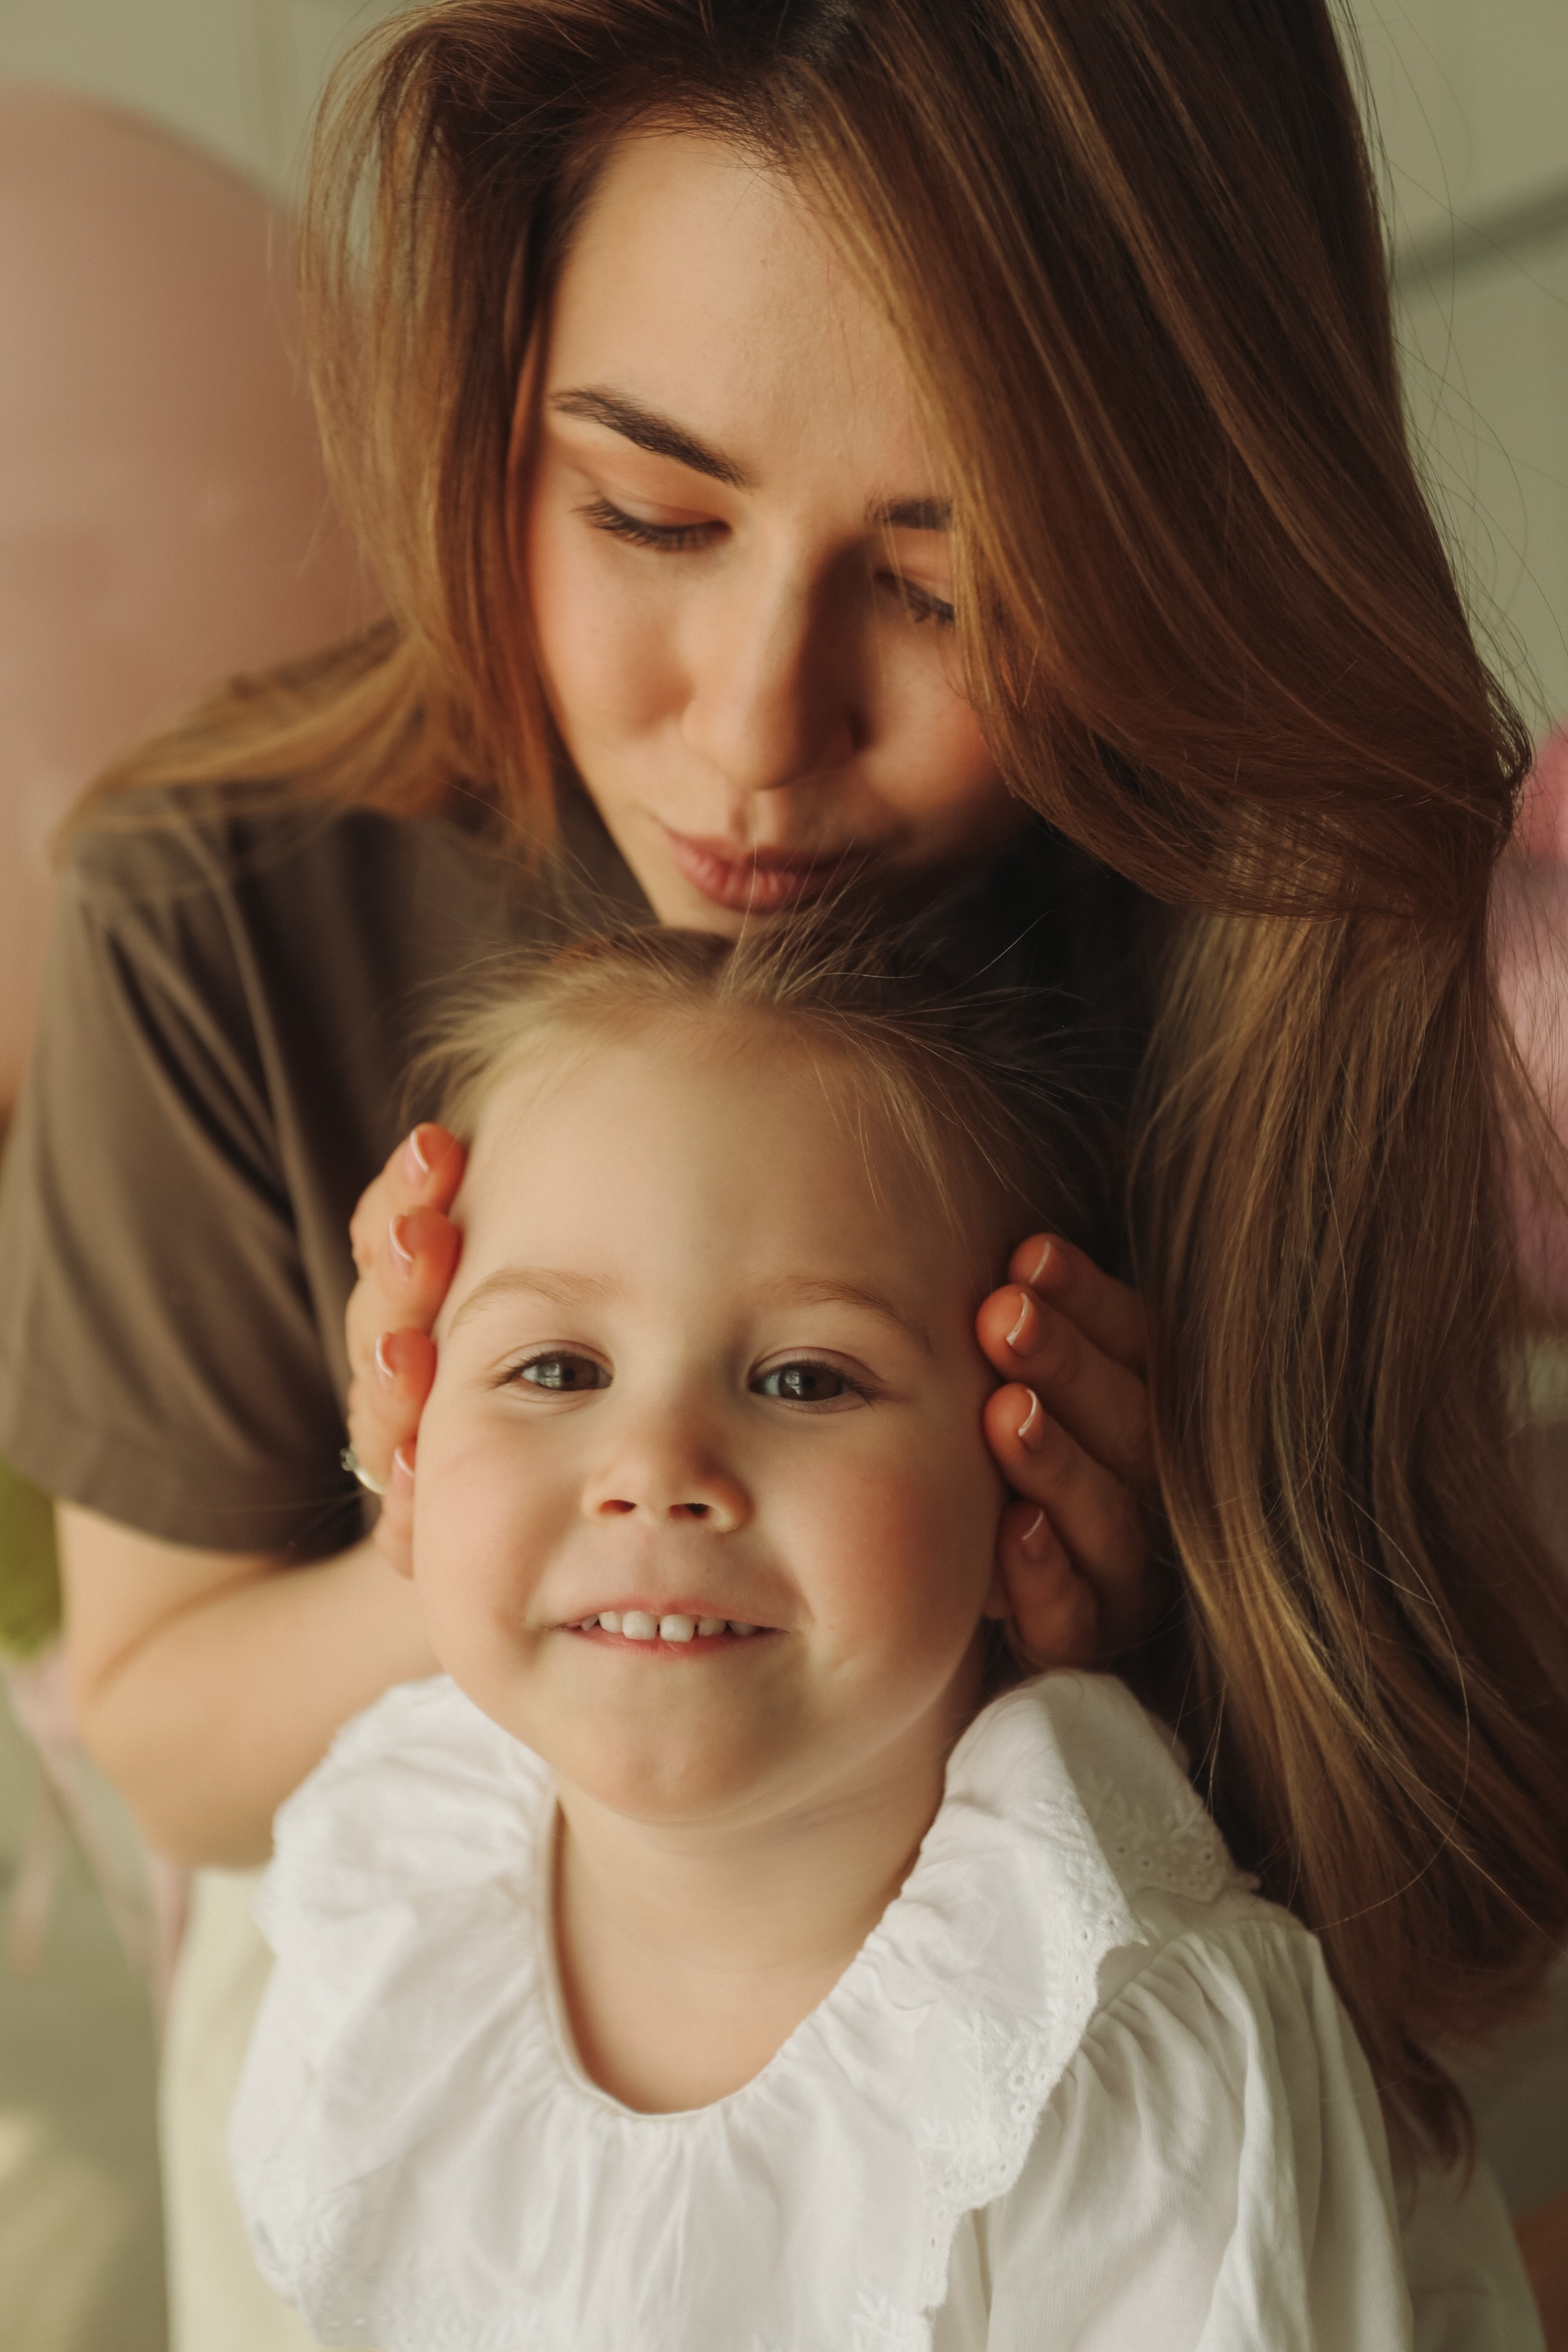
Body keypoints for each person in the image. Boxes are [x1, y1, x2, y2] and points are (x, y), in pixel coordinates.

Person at [0, 0, 1565, 2340]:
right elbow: (167, 1730)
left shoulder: (1276, 943)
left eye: (948, 588)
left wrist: (1125, 1631)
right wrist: (494, 1507)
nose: (751, 727)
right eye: (646, 511)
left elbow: (1435, 1865)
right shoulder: (221, 907)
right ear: (497, 387)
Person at [229, 925, 1542, 2350]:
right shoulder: (389, 1887)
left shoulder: (1105, 2037)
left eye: (805, 1378)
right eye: (554, 1367)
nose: (655, 1463)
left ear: (1021, 1483)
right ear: (412, 1438)